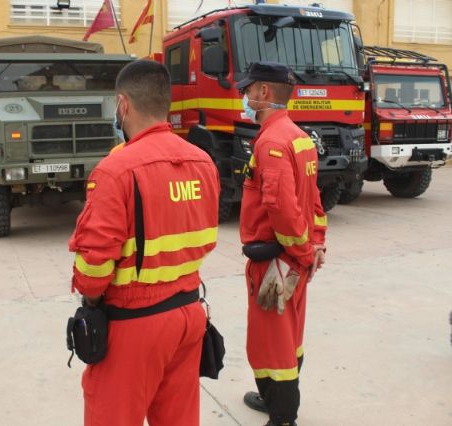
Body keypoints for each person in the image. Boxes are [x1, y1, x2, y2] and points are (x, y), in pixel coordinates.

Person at [69, 60, 220, 426]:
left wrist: (89, 299)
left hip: (133, 325)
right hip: (189, 315)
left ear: (123, 105)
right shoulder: (202, 162)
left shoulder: (115, 170)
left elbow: (94, 266)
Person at [236, 62, 328, 426]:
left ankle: (282, 415)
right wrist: (316, 245)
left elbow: (282, 208)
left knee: (270, 343)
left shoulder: (272, 142)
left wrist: (304, 252)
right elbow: (314, 199)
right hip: (297, 261)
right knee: (290, 337)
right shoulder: (299, 137)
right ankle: (275, 398)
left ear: (263, 93)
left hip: (278, 262)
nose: (244, 98)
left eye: (248, 91)